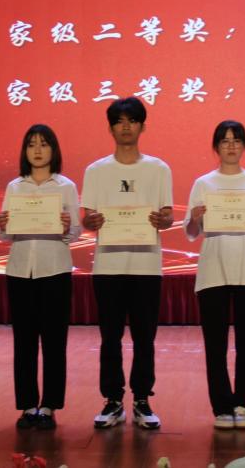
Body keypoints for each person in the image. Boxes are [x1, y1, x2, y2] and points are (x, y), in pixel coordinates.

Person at [81, 97, 173, 429]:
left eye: (132, 120)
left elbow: (167, 215)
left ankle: (143, 400)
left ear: (142, 126)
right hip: (108, 266)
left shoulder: (158, 169)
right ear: (110, 128)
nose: (125, 127)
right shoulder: (96, 170)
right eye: (119, 121)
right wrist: (91, 222)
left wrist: (163, 221)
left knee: (145, 338)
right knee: (110, 337)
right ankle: (113, 400)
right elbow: (87, 217)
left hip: (146, 266)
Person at [184, 120, 245, 429]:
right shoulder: (203, 183)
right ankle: (222, 406)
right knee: (216, 344)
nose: (231, 146)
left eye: (236, 140)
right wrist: (195, 217)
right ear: (216, 147)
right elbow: (191, 231)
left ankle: (243, 404)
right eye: (224, 141)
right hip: (213, 271)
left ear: (244, 145)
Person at [0, 124, 80, 430]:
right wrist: (3, 224)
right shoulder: (15, 187)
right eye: (32, 144)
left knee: (54, 341)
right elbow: (6, 235)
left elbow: (76, 232)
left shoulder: (66, 186)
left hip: (55, 269)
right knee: (24, 341)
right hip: (20, 270)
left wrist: (68, 225)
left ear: (53, 150)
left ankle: (49, 406)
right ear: (25, 151)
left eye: (44, 144)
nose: (38, 150)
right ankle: (28, 404)